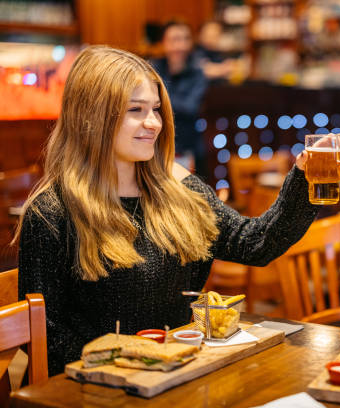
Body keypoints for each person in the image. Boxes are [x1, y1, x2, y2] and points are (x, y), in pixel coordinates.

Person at [15, 46, 319, 377]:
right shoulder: (51, 213)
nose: (153, 123)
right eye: (135, 109)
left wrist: (307, 177)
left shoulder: (179, 189)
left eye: (156, 109)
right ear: (91, 116)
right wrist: (129, 370)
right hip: (103, 390)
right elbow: (46, 337)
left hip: (183, 376)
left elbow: (256, 244)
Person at [150, 20, 207, 176]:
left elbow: (190, 108)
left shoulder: (197, 73)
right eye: (175, 40)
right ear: (164, 43)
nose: (181, 45)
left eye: (185, 39)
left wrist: (160, 99)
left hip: (186, 147)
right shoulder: (152, 68)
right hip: (155, 147)